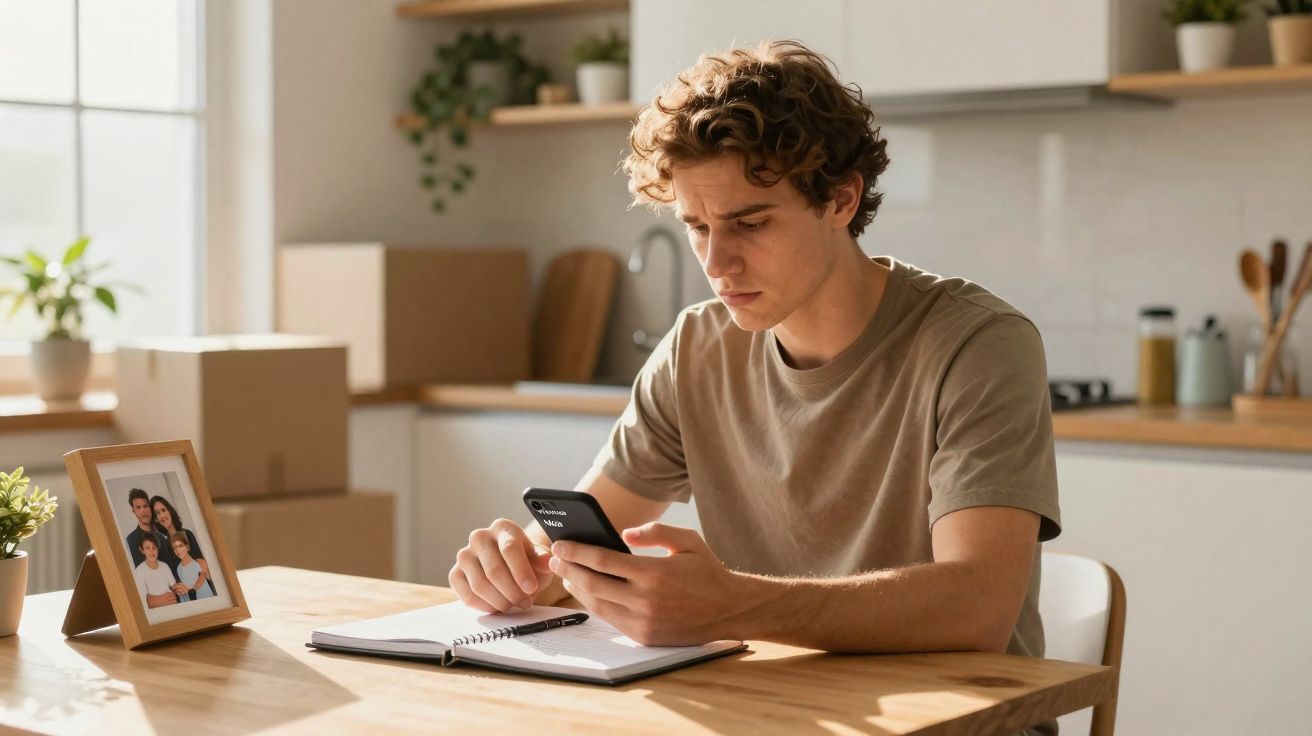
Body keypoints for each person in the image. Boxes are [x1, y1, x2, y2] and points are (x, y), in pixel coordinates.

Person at [450, 39, 1060, 736]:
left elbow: (978, 606)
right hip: (775, 716)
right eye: (696, 227)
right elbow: (579, 545)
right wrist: (514, 570)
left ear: (841, 198)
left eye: (749, 223)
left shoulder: (978, 344)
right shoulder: (695, 349)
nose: (716, 261)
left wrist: (735, 605)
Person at [151, 495, 215, 599]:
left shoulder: (187, 534)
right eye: (157, 513)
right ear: (156, 519)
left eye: (163, 510)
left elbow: (202, 566)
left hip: (203, 590)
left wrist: (192, 589)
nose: (162, 516)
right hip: (184, 597)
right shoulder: (162, 546)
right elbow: (171, 578)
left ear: (170, 511)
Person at [125, 488, 177, 572]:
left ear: (150, 507)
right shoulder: (131, 540)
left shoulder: (162, 533)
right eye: (138, 507)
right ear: (133, 511)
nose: (143, 510)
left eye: (145, 506)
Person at [134, 536, 181, 608]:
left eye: (154, 547)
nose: (151, 551)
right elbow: (145, 600)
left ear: (157, 549)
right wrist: (163, 599)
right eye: (147, 548)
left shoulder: (164, 566)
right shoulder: (139, 571)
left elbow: (174, 586)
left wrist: (181, 589)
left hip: (174, 607)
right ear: (142, 550)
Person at [169, 532, 215, 601]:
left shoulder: (200, 562)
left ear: (187, 547)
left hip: (208, 598)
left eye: (180, 546)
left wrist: (192, 591)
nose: (178, 550)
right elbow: (185, 588)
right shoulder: (179, 568)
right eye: (175, 547)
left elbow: (202, 577)